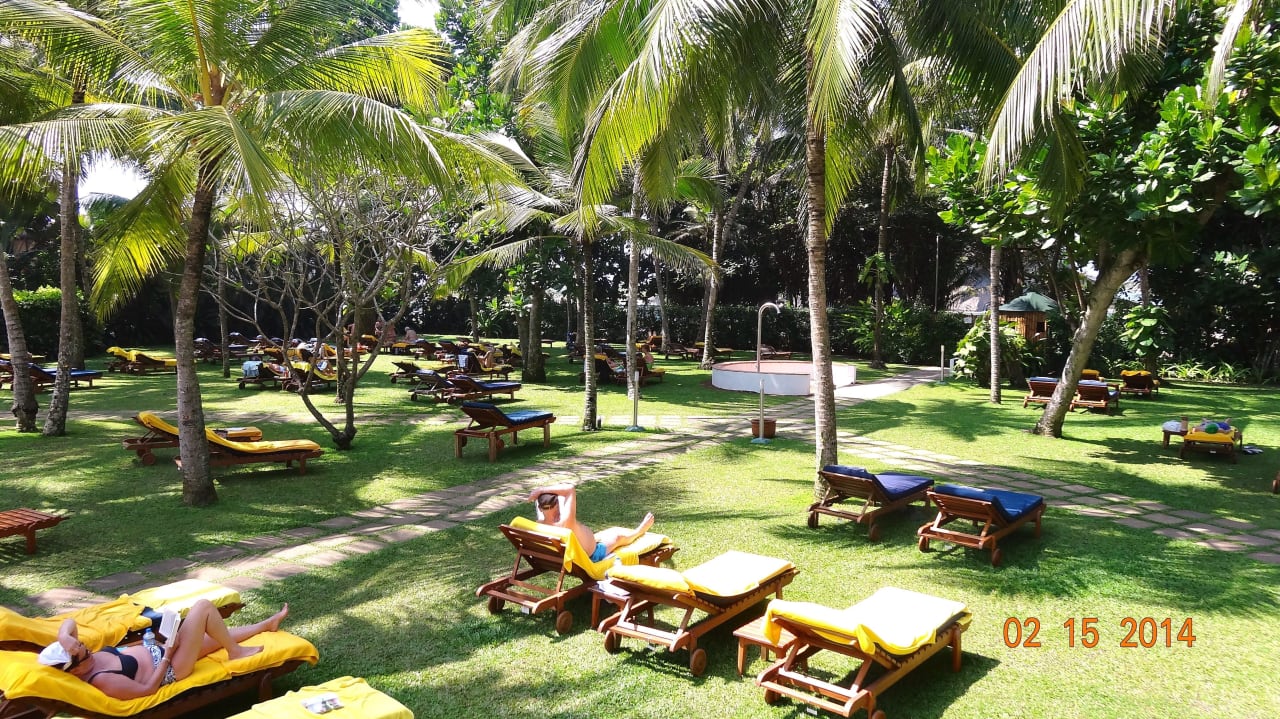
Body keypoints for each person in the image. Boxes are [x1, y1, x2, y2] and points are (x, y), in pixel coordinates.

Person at [38, 600, 288, 700]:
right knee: (203, 608)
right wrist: (167, 655)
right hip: (172, 668)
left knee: (213, 635)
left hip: (163, 650)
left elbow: (69, 624)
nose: (88, 651)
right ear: (75, 669)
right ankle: (235, 652)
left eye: (83, 646)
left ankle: (266, 624)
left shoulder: (82, 659)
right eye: (83, 653)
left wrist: (64, 637)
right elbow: (147, 689)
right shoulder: (102, 680)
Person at [528, 484, 654, 562]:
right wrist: (541, 490)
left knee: (610, 532)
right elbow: (570, 489)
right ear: (557, 504)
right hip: (591, 555)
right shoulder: (565, 521)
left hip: (565, 556)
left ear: (540, 508)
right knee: (618, 536)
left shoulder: (538, 525)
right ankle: (639, 531)